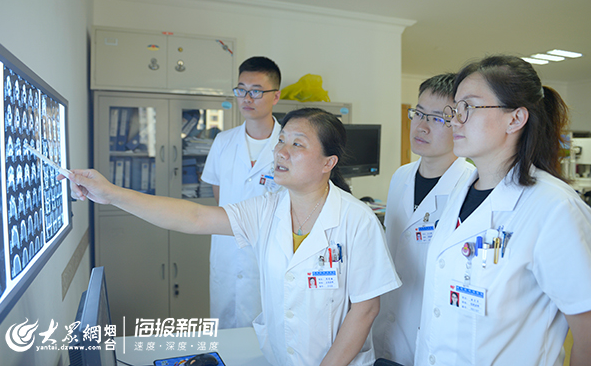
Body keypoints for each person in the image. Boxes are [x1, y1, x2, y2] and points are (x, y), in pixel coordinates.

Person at [65, 108, 400, 366]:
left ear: (328, 162)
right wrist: (112, 194)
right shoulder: (268, 208)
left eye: (297, 144)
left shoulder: (357, 219)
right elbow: (194, 217)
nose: (281, 152)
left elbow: (366, 309)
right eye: (281, 140)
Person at [414, 55, 591, 365]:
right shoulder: (460, 189)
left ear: (515, 119)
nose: (455, 120)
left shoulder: (554, 207)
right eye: (455, 108)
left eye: (469, 107)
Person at [372, 73, 475, 365]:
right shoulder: (401, 176)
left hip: (434, 338)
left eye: (438, 118)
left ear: (460, 123)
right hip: (385, 327)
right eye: (418, 113)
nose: (421, 126)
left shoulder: (470, 186)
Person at [201, 56, 282, 328]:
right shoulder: (223, 142)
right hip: (227, 251)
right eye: (241, 90)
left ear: (275, 96)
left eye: (256, 91)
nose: (247, 98)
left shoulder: (289, 145)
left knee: (269, 330)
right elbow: (219, 195)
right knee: (225, 333)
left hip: (269, 252)